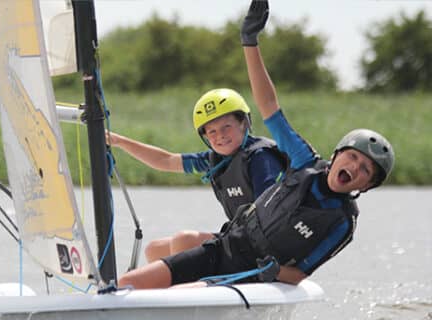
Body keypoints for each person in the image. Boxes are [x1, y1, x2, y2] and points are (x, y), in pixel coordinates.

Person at [118, 0, 394, 289]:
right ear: (337, 155)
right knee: (129, 284)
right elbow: (270, 107)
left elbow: (299, 274)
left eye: (365, 170)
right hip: (223, 247)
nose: (355, 167)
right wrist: (249, 41)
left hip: (249, 272)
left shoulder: (341, 223)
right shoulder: (304, 161)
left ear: (366, 185)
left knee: (174, 291)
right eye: (352, 157)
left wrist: (272, 271)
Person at [107, 88, 286, 262]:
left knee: (184, 241)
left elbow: (271, 212)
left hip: (263, 245)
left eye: (226, 127)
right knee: (155, 249)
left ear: (243, 123)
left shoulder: (260, 157)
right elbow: (166, 161)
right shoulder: (215, 160)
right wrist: (119, 142)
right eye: (212, 132)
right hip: (239, 237)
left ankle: (188, 286)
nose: (220, 136)